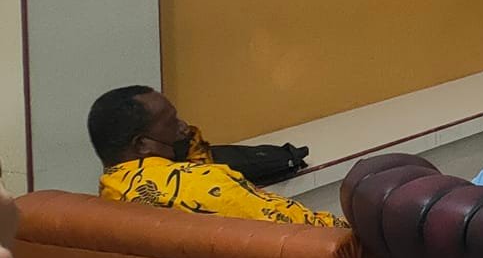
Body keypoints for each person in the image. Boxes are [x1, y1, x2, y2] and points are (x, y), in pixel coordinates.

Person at [87, 86, 344, 226]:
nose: (184, 127)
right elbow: (303, 229)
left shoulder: (112, 192)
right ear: (143, 144)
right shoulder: (207, 184)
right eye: (171, 122)